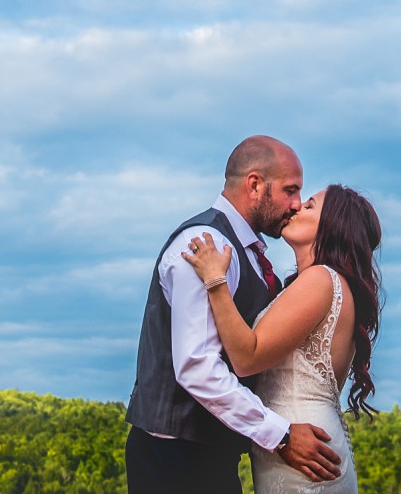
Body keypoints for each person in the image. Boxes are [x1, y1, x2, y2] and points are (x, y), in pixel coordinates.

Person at [124, 136, 344, 493]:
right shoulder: (202, 244)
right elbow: (197, 366)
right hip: (173, 458)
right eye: (290, 190)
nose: (296, 204)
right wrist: (282, 436)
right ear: (255, 185)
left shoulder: (252, 256)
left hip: (211, 456)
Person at [182, 183, 382, 494]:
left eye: (310, 206)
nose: (297, 207)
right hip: (307, 450)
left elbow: (247, 357)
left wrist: (215, 281)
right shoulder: (329, 285)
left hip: (305, 456)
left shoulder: (320, 279)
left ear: (333, 225)